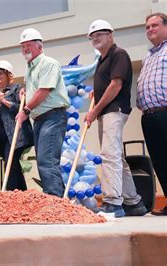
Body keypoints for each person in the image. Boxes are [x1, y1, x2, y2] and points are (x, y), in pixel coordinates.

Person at [84, 20, 147, 217]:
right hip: (106, 111)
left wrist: (94, 111)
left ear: (110, 35)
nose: (95, 37)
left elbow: (115, 86)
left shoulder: (118, 54)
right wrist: (96, 95)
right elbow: (106, 86)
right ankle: (133, 201)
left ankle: (113, 202)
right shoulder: (102, 60)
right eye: (92, 36)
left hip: (114, 109)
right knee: (117, 157)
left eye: (100, 34)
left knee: (109, 155)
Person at [16, 28, 70, 197]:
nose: (25, 48)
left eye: (29, 45)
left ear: (40, 46)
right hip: (39, 119)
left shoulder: (48, 63)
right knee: (44, 161)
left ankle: (55, 201)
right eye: (22, 46)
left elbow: (44, 90)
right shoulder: (30, 68)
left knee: (47, 161)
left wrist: (25, 109)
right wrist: (26, 92)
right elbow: (36, 90)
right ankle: (56, 199)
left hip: (52, 117)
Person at [136, 13, 167, 216]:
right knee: (160, 161)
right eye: (147, 27)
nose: (150, 29)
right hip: (149, 116)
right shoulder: (149, 55)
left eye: (154, 25)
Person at [0, 60, 33, 191]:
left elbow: (22, 109)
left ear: (9, 75)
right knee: (12, 165)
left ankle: (9, 193)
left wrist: (4, 102)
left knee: (11, 162)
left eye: (0, 73)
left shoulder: (17, 89)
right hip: (1, 137)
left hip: (15, 135)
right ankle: (22, 194)